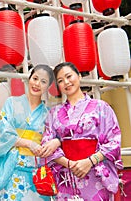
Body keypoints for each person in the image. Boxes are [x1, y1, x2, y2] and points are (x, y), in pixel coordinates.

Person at [41, 62, 123, 200]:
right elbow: (46, 144)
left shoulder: (101, 107)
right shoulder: (54, 113)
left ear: (78, 76)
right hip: (66, 176)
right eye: (60, 81)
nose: (66, 82)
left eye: (69, 76)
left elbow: (114, 140)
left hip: (94, 174)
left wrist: (89, 162)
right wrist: (69, 164)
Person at [0, 64, 60, 201]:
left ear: (48, 86)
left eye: (43, 81)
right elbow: (2, 133)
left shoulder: (48, 114)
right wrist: (29, 143)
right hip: (14, 169)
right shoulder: (12, 103)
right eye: (35, 78)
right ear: (29, 79)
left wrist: (55, 142)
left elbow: (58, 137)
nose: (37, 84)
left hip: (38, 172)